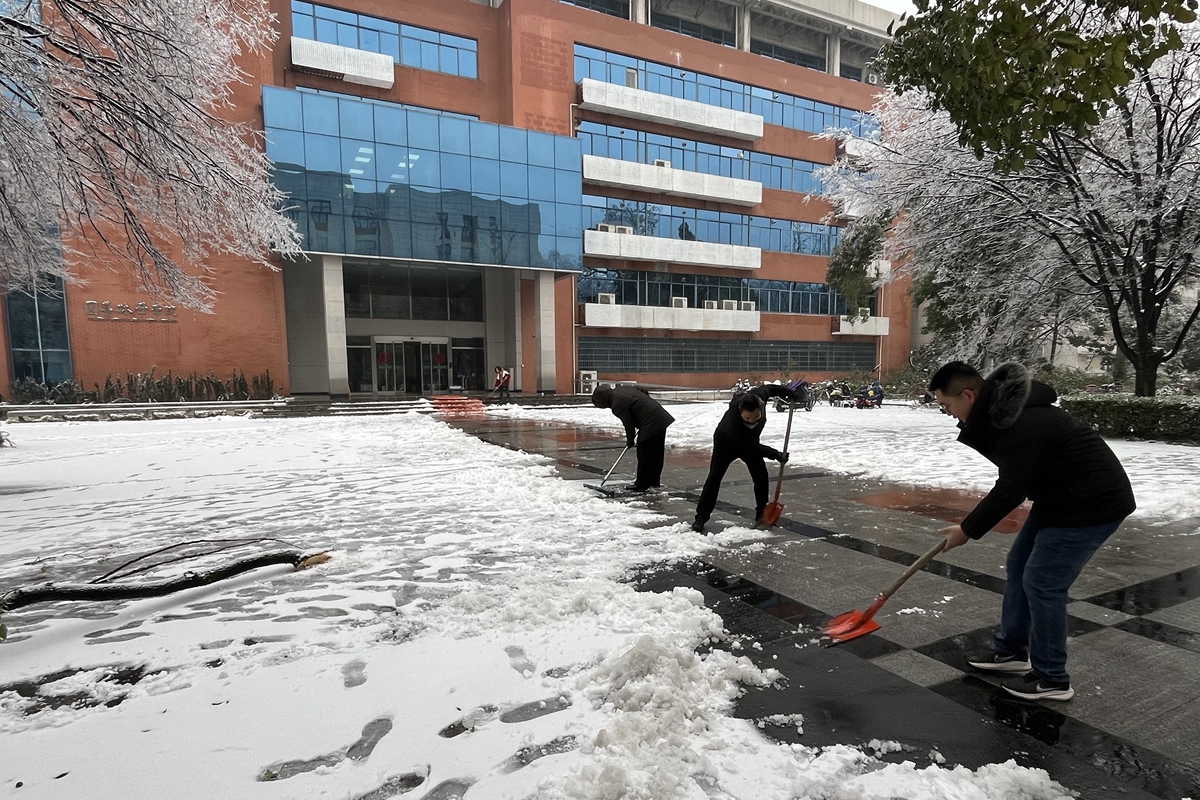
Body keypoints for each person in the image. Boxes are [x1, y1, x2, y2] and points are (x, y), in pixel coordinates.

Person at [930, 361, 1135, 701]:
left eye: (948, 405)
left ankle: (1052, 678)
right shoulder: (1005, 415)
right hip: (1061, 497)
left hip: (1093, 503)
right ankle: (1012, 652)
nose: (948, 413)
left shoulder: (1022, 422)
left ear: (969, 394)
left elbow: (1011, 489)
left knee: (1043, 583)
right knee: (1020, 566)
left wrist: (967, 529)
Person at [691, 382, 798, 533]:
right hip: (725, 444)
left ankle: (761, 513)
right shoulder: (733, 425)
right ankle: (701, 517)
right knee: (714, 478)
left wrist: (788, 392)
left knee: (761, 476)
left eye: (756, 417)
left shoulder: (758, 398)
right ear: (741, 412)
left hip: (749, 443)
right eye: (748, 418)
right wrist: (776, 454)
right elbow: (752, 448)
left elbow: (770, 388)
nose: (753, 420)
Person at [591, 384, 675, 492]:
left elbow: (628, 424)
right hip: (659, 416)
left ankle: (641, 484)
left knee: (644, 453)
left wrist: (630, 440)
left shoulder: (617, 404)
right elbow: (641, 389)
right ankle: (654, 481)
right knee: (656, 453)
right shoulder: (622, 389)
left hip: (650, 422)